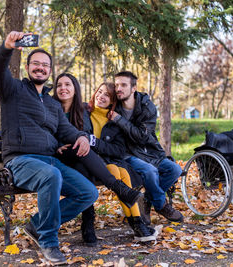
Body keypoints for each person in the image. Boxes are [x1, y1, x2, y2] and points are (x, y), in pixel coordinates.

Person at [0, 31, 98, 265]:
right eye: (36, 64)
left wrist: (80, 136)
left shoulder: (52, 103)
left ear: (50, 71)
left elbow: (64, 131)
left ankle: (37, 225)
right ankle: (48, 241)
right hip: (20, 161)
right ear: (28, 67)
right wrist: (6, 47)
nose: (40, 68)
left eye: (45, 65)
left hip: (49, 161)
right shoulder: (13, 90)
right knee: (51, 175)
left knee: (89, 193)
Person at [53, 73, 157, 244]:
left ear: (113, 101)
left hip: (103, 161)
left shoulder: (115, 120)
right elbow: (78, 134)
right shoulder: (85, 110)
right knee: (109, 170)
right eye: (99, 92)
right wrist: (89, 141)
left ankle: (137, 222)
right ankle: (91, 222)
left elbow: (117, 149)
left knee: (120, 170)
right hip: (83, 159)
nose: (101, 96)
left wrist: (95, 142)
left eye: (107, 95)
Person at [109, 71, 184, 224]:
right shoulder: (113, 106)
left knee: (175, 170)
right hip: (127, 153)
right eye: (116, 85)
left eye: (123, 85)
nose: (118, 89)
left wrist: (119, 120)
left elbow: (142, 136)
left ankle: (148, 200)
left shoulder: (147, 107)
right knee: (150, 171)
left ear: (133, 88)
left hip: (147, 151)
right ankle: (161, 205)